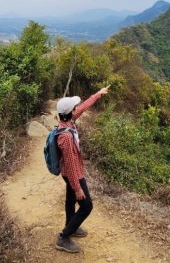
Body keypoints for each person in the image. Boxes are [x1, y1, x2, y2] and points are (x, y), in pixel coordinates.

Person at [54, 85, 110, 253]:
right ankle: (64, 237)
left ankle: (72, 225)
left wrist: (98, 94)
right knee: (86, 206)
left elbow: (83, 106)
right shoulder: (66, 136)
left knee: (70, 201)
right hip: (73, 174)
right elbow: (71, 165)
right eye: (74, 107)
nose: (77, 108)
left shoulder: (67, 121)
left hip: (69, 172)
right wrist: (77, 187)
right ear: (70, 112)